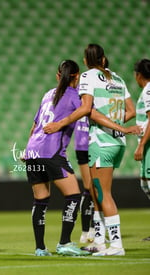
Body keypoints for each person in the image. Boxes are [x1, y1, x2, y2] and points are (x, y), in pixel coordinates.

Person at [77, 44, 138, 256]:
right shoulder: (118, 79)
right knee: (96, 193)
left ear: (86, 60)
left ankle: (116, 245)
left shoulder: (88, 77)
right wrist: (117, 125)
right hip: (118, 142)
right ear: (103, 59)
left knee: (103, 194)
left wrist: (113, 126)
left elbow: (89, 111)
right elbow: (130, 110)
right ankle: (101, 241)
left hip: (102, 142)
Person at [25, 60, 90, 256]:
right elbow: (86, 111)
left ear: (57, 75)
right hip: (51, 151)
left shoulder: (47, 95)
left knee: (41, 200)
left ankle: (40, 248)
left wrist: (29, 151)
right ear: (76, 76)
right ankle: (64, 242)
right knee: (73, 195)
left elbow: (34, 126)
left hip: (32, 151)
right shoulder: (74, 96)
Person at [133, 58, 150, 241]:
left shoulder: (148, 90)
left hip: (149, 145)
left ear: (138, 75)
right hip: (147, 145)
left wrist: (141, 144)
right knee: (145, 184)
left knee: (149, 184)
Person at [74, 117, 95, 244]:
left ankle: (87, 232)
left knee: (90, 188)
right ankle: (90, 230)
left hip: (81, 144)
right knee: (93, 188)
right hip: (93, 143)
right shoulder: (93, 100)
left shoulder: (75, 99)